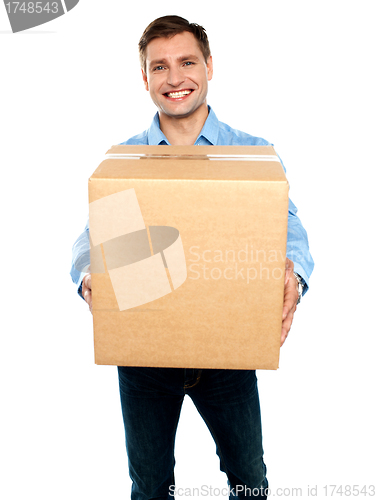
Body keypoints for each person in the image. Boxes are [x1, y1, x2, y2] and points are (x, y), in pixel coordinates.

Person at [70, 15, 314, 500]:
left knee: (249, 480)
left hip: (227, 351)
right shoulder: (126, 158)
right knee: (150, 486)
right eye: (159, 67)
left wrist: (296, 277)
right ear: (145, 79)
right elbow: (91, 234)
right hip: (145, 354)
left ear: (208, 67)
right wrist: (87, 275)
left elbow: (289, 228)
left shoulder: (253, 153)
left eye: (186, 62)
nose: (174, 78)